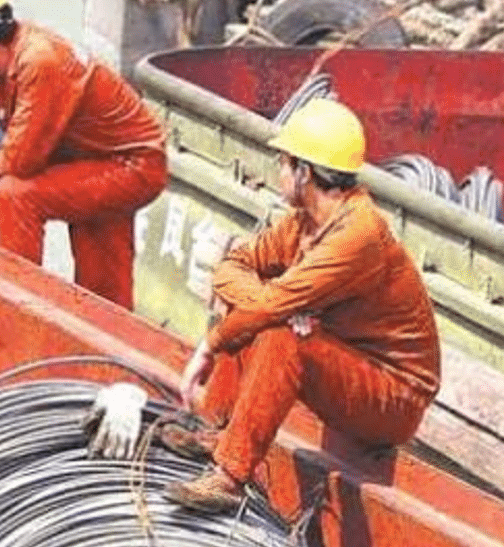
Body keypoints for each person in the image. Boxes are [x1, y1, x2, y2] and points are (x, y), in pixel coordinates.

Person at [156, 98, 441, 513]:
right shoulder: (302, 223)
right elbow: (234, 267)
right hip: (344, 362)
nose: (278, 171)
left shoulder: (357, 234)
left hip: (393, 395)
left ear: (304, 171)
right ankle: (213, 430)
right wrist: (267, 304)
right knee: (264, 312)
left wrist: (211, 344)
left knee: (284, 333)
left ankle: (230, 477)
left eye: (283, 162)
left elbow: (271, 308)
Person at [0, 0, 167, 309]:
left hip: (132, 165)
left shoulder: (39, 61)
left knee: (15, 194)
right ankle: (102, 346)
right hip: (95, 163)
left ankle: (15, 305)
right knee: (102, 297)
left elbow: (22, 159)